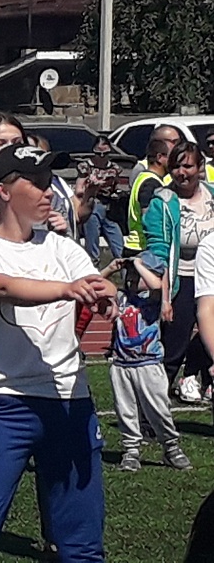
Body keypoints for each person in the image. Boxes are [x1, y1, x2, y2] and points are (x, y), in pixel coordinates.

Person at [0, 144, 117, 562]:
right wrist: (67, 290)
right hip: (2, 404)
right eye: (34, 182)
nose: (47, 190)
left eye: (48, 181)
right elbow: (3, 287)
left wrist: (104, 293)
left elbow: (91, 279)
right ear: (2, 191)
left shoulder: (62, 247)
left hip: (70, 403)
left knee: (82, 548)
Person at [142, 140, 214, 402]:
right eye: (176, 167)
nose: (182, 173)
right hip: (181, 280)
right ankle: (151, 411)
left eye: (188, 166)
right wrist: (164, 298)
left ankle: (199, 378)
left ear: (200, 167)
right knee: (173, 350)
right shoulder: (163, 202)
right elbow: (159, 253)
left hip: (211, 279)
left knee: (210, 340)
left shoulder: (212, 194)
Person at [117, 256, 192, 471]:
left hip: (148, 364)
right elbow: (95, 283)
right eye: (129, 274)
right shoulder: (122, 298)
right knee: (126, 410)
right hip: (122, 365)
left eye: (137, 276)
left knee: (159, 410)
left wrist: (140, 265)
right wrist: (111, 268)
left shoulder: (155, 299)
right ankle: (131, 450)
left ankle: (170, 447)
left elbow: (157, 285)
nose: (131, 279)